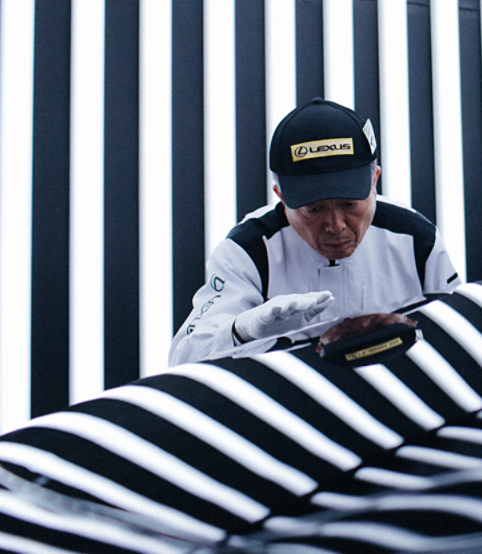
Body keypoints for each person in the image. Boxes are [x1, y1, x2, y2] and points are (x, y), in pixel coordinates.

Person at [169, 99, 460, 366]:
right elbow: (181, 361)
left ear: (375, 180)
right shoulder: (248, 252)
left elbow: (458, 339)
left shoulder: (416, 240)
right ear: (281, 196)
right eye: (314, 209)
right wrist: (241, 330)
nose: (336, 225)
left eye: (349, 204)